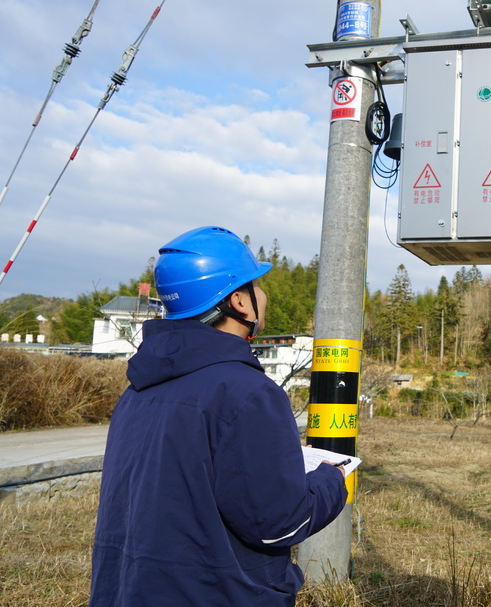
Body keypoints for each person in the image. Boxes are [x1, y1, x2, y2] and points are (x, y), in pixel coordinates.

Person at [90, 226, 348, 607]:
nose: (264, 294)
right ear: (240, 301)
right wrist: (331, 478)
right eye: (257, 285)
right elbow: (280, 523)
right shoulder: (248, 392)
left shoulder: (139, 388)